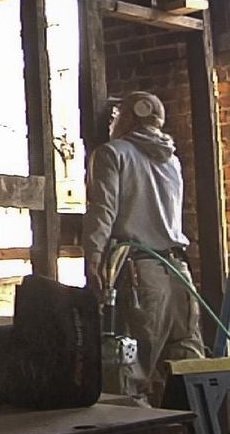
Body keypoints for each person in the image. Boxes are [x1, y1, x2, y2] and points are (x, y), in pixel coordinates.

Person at [83, 91, 204, 405]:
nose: (114, 120)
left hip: (142, 274)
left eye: (119, 113)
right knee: (186, 369)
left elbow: (103, 211)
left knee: (130, 370)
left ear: (133, 114)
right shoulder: (171, 159)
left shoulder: (113, 154)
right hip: (180, 275)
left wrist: (94, 258)